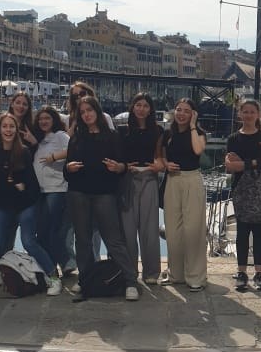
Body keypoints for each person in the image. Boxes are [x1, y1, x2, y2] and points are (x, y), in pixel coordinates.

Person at [64, 95, 137, 301]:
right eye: (82, 112)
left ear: (97, 111)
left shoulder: (112, 136)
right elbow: (67, 171)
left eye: (89, 110)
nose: (86, 115)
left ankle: (130, 281)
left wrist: (118, 167)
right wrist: (68, 167)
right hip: (78, 192)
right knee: (83, 240)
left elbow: (123, 166)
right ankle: (85, 280)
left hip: (104, 193)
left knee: (113, 240)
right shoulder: (76, 138)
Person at [0, 112, 58, 291]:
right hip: (2, 205)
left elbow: (32, 185)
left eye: (11, 126)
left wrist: (22, 189)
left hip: (25, 204)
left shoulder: (24, 152)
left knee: (28, 241)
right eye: (5, 126)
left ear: (16, 130)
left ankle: (53, 276)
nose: (8, 130)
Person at [225, 99, 261, 292]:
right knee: (242, 231)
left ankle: (259, 272)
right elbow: (230, 166)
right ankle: (241, 272)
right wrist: (257, 161)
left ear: (258, 114)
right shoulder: (233, 139)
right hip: (241, 189)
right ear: (240, 114)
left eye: (252, 112)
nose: (248, 115)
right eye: (245, 112)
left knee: (259, 231)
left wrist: (244, 163)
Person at [162, 98, 210, 291]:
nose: (181, 114)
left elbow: (197, 150)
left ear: (193, 114)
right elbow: (162, 156)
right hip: (172, 181)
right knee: (173, 230)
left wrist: (192, 126)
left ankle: (196, 276)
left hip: (192, 179)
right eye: (179, 109)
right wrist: (166, 164)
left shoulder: (199, 133)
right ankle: (176, 273)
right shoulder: (168, 134)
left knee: (193, 230)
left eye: (186, 111)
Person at [119, 93, 165, 284]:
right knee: (127, 229)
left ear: (150, 109)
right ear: (132, 107)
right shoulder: (122, 130)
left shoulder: (158, 130)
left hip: (149, 177)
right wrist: (123, 166)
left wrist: (159, 165)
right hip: (127, 178)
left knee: (150, 228)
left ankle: (151, 273)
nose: (141, 109)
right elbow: (117, 155)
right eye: (138, 105)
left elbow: (160, 156)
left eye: (145, 106)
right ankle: (129, 272)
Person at [31, 106, 71, 289]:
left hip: (56, 188)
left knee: (51, 230)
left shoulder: (60, 136)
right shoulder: (39, 140)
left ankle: (59, 264)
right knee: (42, 230)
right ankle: (47, 267)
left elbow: (72, 149)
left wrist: (53, 157)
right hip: (40, 190)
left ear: (54, 119)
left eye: (47, 118)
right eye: (41, 119)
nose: (43, 122)